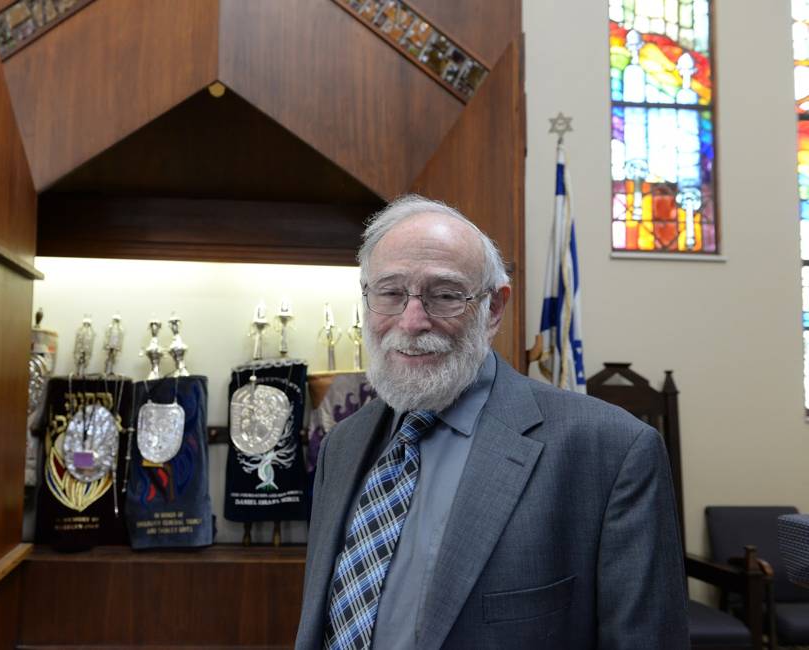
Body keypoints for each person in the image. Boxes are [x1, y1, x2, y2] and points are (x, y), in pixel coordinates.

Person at [295, 195, 689, 649]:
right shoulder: (343, 444)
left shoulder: (611, 452)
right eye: (390, 292)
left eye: (444, 295)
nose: (412, 320)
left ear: (494, 308)